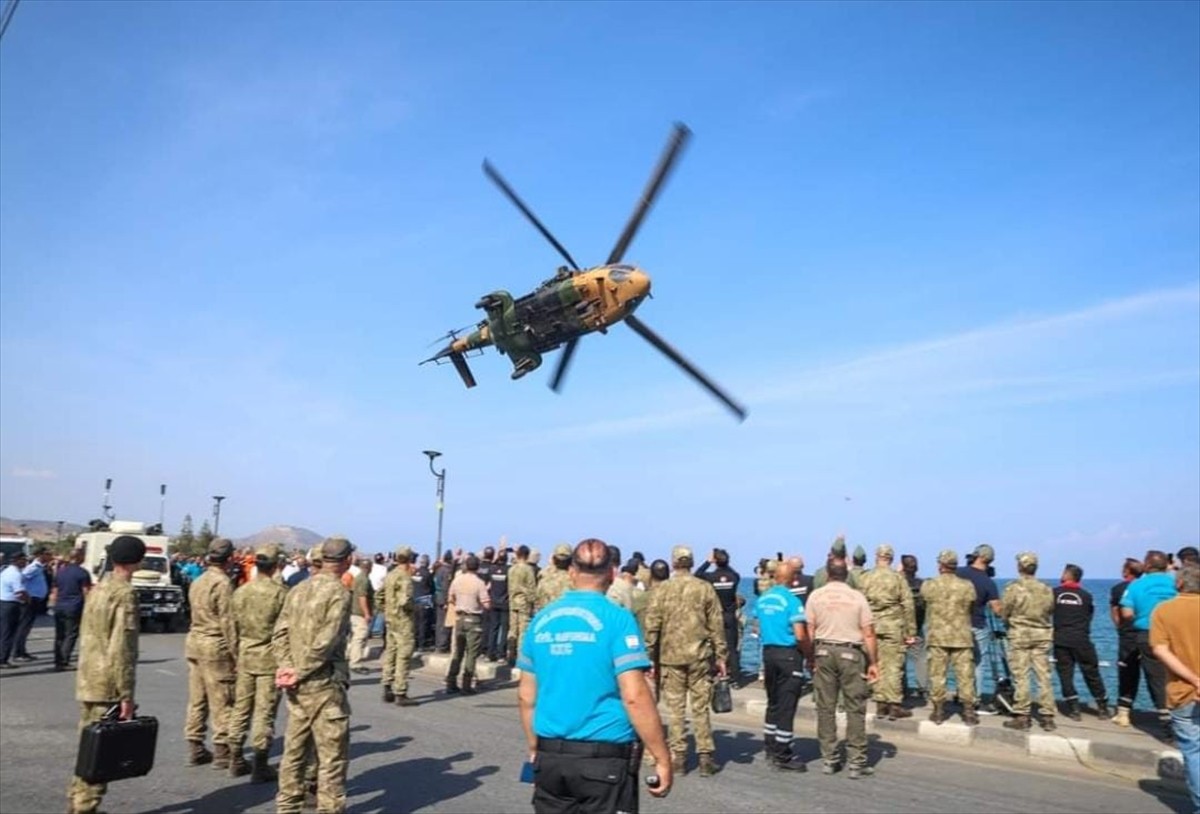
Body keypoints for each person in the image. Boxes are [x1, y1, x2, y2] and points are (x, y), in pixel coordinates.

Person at [517, 538, 673, 813]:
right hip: (603, 760)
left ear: (572, 573)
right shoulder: (618, 619)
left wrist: (534, 749)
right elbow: (634, 696)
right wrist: (661, 757)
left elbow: (526, 697)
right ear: (612, 574)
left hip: (550, 757)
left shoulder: (541, 621)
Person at [273, 536, 353, 814]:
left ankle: (287, 807)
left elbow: (280, 632)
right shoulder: (339, 593)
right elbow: (326, 641)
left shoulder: (299, 589)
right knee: (331, 757)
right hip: (323, 685)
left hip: (297, 686)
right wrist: (298, 670)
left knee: (294, 752)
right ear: (347, 561)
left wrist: (286, 666)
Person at [66, 534, 145, 814]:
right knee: (101, 751)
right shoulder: (125, 594)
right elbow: (121, 648)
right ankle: (86, 807)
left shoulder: (99, 588)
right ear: (138, 561)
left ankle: (77, 799)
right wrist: (126, 694)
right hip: (108, 682)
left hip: (89, 676)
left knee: (87, 745)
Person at [644, 545, 728, 777]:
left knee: (676, 709)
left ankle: (679, 757)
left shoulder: (662, 589)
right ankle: (705, 757)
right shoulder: (704, 588)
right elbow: (716, 625)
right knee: (700, 707)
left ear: (673, 563)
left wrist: (649, 656)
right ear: (691, 563)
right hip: (699, 657)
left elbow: (652, 625)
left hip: (670, 658)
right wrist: (721, 656)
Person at [805, 559, 879, 779]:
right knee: (855, 707)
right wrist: (874, 662)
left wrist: (810, 657)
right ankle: (857, 761)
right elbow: (869, 633)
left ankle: (830, 758)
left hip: (823, 651)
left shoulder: (816, 596)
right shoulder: (857, 597)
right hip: (851, 653)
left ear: (827, 574)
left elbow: (810, 629)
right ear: (847, 575)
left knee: (825, 707)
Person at [226, 543, 288, 781]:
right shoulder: (281, 593)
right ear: (275, 565)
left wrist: (235, 655)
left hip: (245, 655)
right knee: (264, 712)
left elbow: (232, 627)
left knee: (241, 709)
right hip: (269, 659)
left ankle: (235, 757)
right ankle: (260, 765)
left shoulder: (241, 591)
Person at [752, 559, 813, 771]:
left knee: (773, 702)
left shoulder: (763, 599)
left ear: (775, 577)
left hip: (768, 653)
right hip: (788, 654)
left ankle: (770, 747)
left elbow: (756, 626)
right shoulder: (792, 601)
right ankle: (783, 754)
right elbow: (800, 634)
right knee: (787, 706)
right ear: (793, 579)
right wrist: (809, 654)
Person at [1150, 561, 1200, 814]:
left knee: (1193, 751)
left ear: (1179, 583)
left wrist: (1194, 680)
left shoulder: (1164, 611)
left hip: (1183, 691)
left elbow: (1160, 650)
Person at [185, 537, 240, 768]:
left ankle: (195, 744)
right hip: (215, 644)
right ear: (229, 558)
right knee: (222, 699)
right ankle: (222, 749)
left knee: (197, 698)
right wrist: (237, 654)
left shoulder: (198, 580)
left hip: (195, 641)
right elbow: (228, 622)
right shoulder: (223, 583)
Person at [1120, 550, 1179, 741]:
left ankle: (1167, 724)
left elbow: (1127, 613)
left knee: (1157, 679)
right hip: (1177, 634)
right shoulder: (1176, 582)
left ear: (1147, 565)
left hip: (1149, 634)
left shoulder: (1137, 585)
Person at [1000, 552, 1057, 732]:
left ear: (1020, 567)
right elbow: (1050, 609)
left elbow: (1004, 611)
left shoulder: (1013, 588)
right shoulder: (1046, 588)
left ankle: (1022, 715)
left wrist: (1008, 621)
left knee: (1021, 675)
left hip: (1020, 635)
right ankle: (1047, 716)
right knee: (1043, 675)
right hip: (1042, 634)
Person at [859, 544, 916, 721]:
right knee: (893, 665)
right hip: (893, 625)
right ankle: (893, 704)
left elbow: (859, 603)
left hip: (871, 626)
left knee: (875, 663)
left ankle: (880, 703)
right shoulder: (898, 578)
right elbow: (908, 605)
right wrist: (910, 631)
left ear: (877, 557)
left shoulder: (865, 577)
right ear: (891, 558)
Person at [921, 550, 978, 725]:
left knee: (937, 675)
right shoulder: (967, 586)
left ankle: (938, 711)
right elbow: (972, 607)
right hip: (962, 636)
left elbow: (923, 602)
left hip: (938, 636)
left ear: (940, 565)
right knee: (965, 676)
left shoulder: (930, 585)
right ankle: (968, 712)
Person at [1053, 563, 1110, 720]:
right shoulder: (1086, 596)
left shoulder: (1054, 593)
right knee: (1091, 673)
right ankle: (1102, 707)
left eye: (1064, 572)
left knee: (1065, 674)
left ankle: (1074, 709)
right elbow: (1089, 615)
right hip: (1081, 639)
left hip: (1061, 639)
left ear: (1068, 575)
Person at [957, 544, 1004, 715]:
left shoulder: (958, 573)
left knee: (960, 661)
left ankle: (960, 693)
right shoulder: (988, 582)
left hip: (957, 625)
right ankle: (974, 699)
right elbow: (997, 610)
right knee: (978, 662)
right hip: (977, 624)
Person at [446, 554, 491, 694]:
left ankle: (451, 682)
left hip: (459, 618)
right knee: (471, 653)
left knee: (458, 652)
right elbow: (486, 604)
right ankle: (466, 684)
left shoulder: (457, 580)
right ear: (478, 567)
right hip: (474, 618)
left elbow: (450, 597)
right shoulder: (479, 583)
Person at [697, 548, 743, 683]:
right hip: (730, 615)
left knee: (713, 646)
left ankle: (713, 673)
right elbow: (734, 574)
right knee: (732, 648)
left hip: (715, 615)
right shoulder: (734, 576)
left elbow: (697, 574)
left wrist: (708, 562)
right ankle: (736, 678)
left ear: (715, 561)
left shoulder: (711, 577)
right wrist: (724, 562)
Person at [381, 546, 417, 707]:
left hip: (390, 619)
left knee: (391, 651)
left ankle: (387, 685)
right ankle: (400, 692)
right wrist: (413, 608)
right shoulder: (405, 577)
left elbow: (379, 594)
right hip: (403, 620)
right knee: (403, 655)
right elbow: (405, 600)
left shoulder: (390, 575)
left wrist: (387, 609)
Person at [1110, 557, 1145, 727]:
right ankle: (1165, 714)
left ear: (1126, 571)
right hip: (1148, 633)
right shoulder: (1146, 587)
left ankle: (1123, 713)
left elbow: (1115, 612)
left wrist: (1121, 628)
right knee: (1156, 674)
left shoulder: (1118, 589)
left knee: (1127, 673)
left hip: (1128, 635)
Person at [51, 548, 92, 672]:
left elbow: (55, 591)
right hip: (74, 606)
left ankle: (58, 660)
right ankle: (64, 661)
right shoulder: (82, 573)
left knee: (60, 634)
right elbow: (86, 592)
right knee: (71, 634)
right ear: (79, 557)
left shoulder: (61, 572)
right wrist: (89, 607)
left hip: (60, 606)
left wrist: (54, 605)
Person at [13, 546, 53, 661]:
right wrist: (26, 593)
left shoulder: (41, 567)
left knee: (27, 626)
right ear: (40, 555)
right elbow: (21, 579)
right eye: (47, 554)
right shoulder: (33, 568)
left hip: (36, 600)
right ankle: (18, 652)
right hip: (30, 600)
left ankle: (22, 651)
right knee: (24, 626)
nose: (49, 556)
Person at [900, 554, 928, 701]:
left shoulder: (898, 583)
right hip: (917, 625)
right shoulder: (922, 584)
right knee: (920, 659)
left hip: (900, 627)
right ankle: (923, 687)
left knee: (900, 659)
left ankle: (901, 687)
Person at [508, 545, 537, 666]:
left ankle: (510, 655)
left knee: (513, 630)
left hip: (512, 602)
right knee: (523, 631)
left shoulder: (512, 569)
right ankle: (521, 658)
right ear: (527, 555)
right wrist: (533, 603)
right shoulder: (528, 569)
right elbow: (531, 588)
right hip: (524, 603)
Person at [0, 552, 30, 668]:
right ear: (17, 560)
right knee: (8, 633)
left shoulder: (6, 571)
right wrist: (27, 600)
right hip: (10, 604)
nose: (26, 562)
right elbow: (19, 592)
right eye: (24, 560)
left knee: (4, 631)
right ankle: (3, 659)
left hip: (3, 602)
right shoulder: (15, 574)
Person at [348, 555, 373, 675]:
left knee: (355, 637)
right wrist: (367, 613)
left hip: (355, 611)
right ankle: (355, 663)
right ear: (370, 568)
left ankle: (351, 657)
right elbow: (362, 597)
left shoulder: (358, 577)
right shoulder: (363, 579)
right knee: (360, 637)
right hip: (359, 612)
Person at [486, 547, 510, 662]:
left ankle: (490, 653)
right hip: (505, 603)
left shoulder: (492, 569)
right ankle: (501, 654)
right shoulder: (509, 570)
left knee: (493, 628)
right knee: (504, 630)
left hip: (493, 602)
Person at [535, 544, 573, 612]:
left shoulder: (544, 575)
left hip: (548, 614)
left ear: (554, 558)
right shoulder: (576, 577)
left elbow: (538, 601)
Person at [412, 553, 436, 652]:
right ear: (428, 563)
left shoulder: (414, 573)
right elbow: (432, 588)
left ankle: (414, 643)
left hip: (414, 600)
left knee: (415, 623)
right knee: (423, 623)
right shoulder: (428, 574)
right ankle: (421, 645)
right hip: (425, 600)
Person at [433, 551, 455, 653]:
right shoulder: (447, 571)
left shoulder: (439, 569)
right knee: (444, 623)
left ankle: (438, 644)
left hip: (438, 598)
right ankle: (442, 645)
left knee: (439, 623)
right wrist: (447, 601)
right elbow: (446, 586)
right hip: (443, 600)